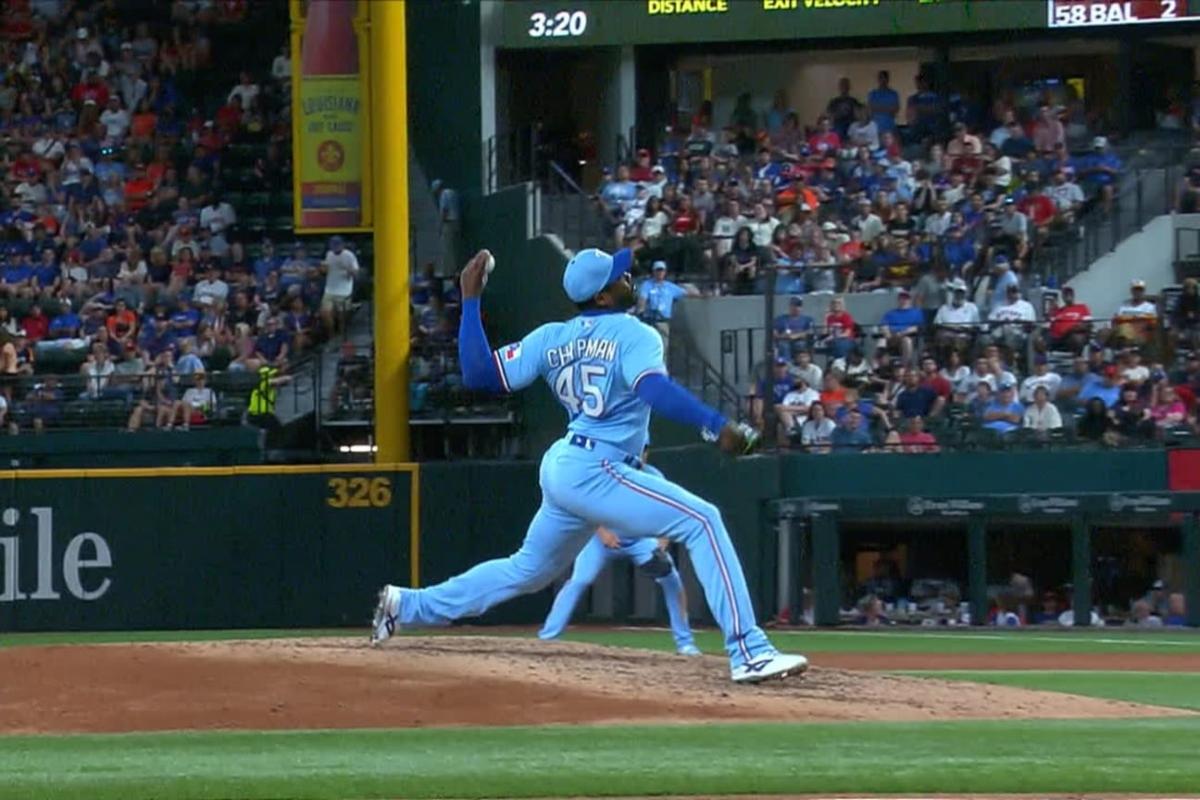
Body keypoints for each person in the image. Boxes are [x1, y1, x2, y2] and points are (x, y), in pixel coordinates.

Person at [371, 249, 808, 684]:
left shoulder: (551, 337)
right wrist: (715, 425)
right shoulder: (634, 334)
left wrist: (470, 301)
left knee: (527, 570)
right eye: (621, 277)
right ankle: (749, 651)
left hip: (566, 464)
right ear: (602, 296)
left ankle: (405, 605)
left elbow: (478, 374)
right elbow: (653, 389)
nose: (630, 279)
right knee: (703, 520)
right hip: (597, 466)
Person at [539, 452, 700, 657]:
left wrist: (661, 544)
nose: (639, 454)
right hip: (600, 539)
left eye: (643, 449)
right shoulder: (604, 471)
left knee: (671, 579)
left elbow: (668, 513)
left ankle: (685, 643)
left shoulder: (654, 477)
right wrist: (602, 531)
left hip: (640, 539)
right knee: (580, 579)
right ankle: (549, 637)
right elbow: (584, 506)